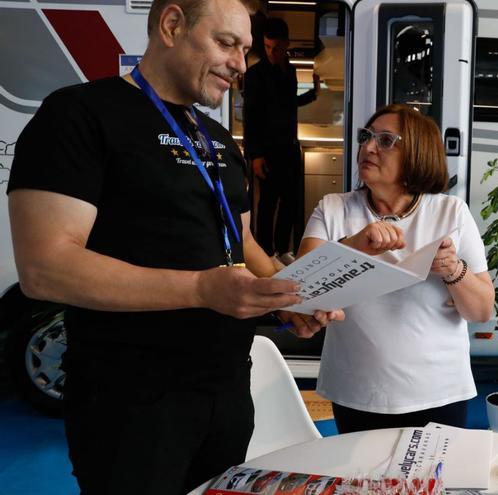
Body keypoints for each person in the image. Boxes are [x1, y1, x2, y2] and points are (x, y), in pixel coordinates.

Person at [7, 0, 334, 492]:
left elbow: (240, 240)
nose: (240, 65)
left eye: (245, 50)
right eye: (226, 44)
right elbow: (46, 267)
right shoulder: (79, 114)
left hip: (226, 389)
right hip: (131, 401)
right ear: (172, 25)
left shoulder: (220, 140)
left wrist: (291, 298)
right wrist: (203, 289)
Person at [289, 104, 495, 433]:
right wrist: (356, 244)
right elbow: (298, 289)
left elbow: (482, 310)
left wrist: (454, 270)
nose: (369, 147)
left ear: (418, 152)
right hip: (356, 391)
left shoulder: (450, 212)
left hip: (439, 392)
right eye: (366, 137)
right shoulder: (333, 208)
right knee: (362, 484)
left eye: (386, 140)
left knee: (429, 484)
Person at [244, 17, 320, 258]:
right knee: (267, 205)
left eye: (276, 48)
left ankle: (283, 249)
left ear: (286, 44)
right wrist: (255, 155)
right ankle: (265, 252)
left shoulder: (291, 70)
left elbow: (289, 105)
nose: (272, 53)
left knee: (290, 203)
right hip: (266, 151)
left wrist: (312, 94)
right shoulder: (255, 74)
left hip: (289, 147)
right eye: (267, 47)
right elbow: (251, 116)